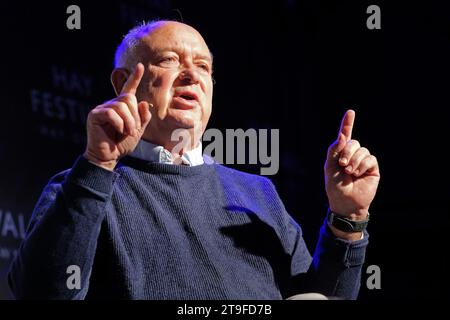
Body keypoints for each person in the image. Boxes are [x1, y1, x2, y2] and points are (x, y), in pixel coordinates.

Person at [8, 20, 380, 300]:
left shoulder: (259, 194)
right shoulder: (83, 188)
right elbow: (41, 292)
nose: (191, 75)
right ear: (124, 83)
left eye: (203, 67)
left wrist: (347, 219)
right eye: (169, 60)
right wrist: (96, 165)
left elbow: (324, 297)